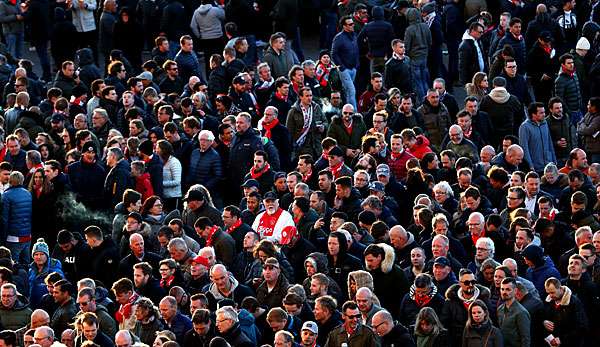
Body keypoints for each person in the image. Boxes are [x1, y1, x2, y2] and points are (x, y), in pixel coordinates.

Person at [518, 102, 556, 173]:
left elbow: (549, 143)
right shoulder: (525, 127)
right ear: (533, 114)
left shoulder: (545, 124)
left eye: (544, 112)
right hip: (535, 168)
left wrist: (554, 160)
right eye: (541, 113)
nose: (544, 115)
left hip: (548, 166)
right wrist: (530, 166)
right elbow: (524, 148)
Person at [331, 16, 359, 108]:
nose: (352, 25)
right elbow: (334, 53)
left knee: (347, 91)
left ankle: (345, 110)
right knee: (351, 90)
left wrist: (356, 64)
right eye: (350, 24)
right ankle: (354, 112)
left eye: (353, 23)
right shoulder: (339, 38)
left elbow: (356, 50)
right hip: (345, 69)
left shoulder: (354, 35)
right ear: (344, 26)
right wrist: (341, 67)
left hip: (353, 68)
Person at [497, 277, 531, 347]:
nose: (504, 292)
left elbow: (526, 339)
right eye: (502, 289)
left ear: (515, 291)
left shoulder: (521, 312)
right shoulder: (500, 309)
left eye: (508, 289)